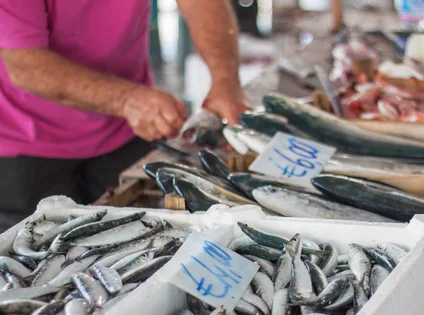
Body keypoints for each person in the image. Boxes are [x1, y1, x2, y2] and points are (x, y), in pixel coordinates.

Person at [0, 0, 248, 232]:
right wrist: (127, 100)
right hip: (23, 144)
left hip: (125, 133)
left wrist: (225, 80)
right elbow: (25, 65)